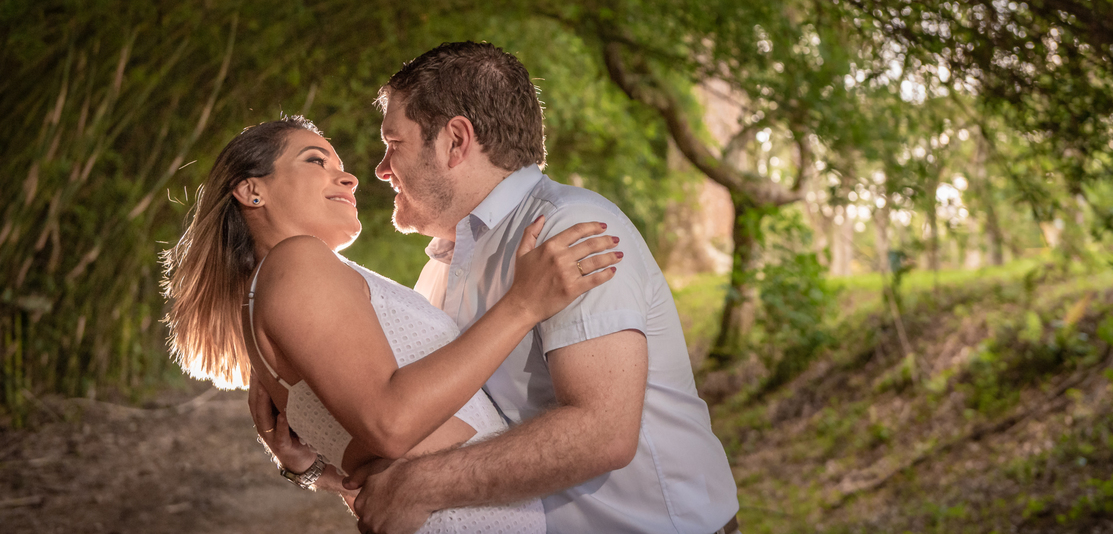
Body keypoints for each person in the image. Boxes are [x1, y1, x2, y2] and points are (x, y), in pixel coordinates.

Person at [326, 42, 740, 534]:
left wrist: (423, 486)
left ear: (455, 141)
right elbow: (426, 424)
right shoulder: (441, 267)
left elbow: (602, 433)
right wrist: (320, 457)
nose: (381, 169)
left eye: (394, 144)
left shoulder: (572, 228)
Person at [162, 116, 621, 533]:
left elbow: (372, 466)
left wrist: (314, 473)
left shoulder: (277, 289)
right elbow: (391, 425)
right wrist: (524, 303)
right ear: (251, 191)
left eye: (338, 164)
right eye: (315, 160)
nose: (349, 176)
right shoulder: (296, 263)